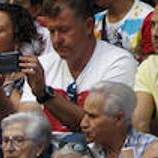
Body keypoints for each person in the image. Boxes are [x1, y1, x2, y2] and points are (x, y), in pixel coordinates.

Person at [26, 0, 137, 132]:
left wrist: (44, 95)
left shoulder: (119, 62)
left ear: (89, 26)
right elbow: (26, 125)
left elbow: (99, 126)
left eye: (64, 30)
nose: (57, 40)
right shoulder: (42, 65)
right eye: (52, 31)